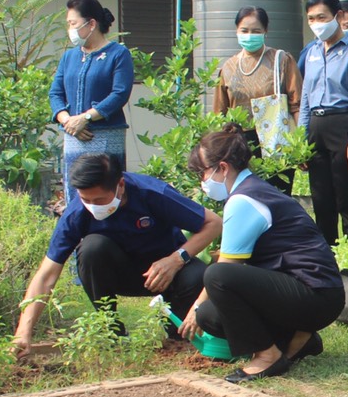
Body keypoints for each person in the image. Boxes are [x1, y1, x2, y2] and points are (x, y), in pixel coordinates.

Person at [12, 153, 221, 358]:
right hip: (121, 274)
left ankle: (177, 336)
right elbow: (47, 274)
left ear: (120, 185)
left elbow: (213, 223)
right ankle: (111, 330)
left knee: (197, 275)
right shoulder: (76, 214)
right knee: (92, 248)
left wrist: (176, 260)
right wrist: (23, 332)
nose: (94, 206)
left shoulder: (152, 193)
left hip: (168, 271)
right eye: (86, 199)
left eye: (100, 199)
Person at [184, 124, 345, 383]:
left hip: (317, 295)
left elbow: (226, 268)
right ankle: (298, 341)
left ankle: (267, 356)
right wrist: (199, 310)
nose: (202, 182)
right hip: (313, 293)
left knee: (216, 276)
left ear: (222, 168)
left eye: (202, 173)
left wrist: (193, 307)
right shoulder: (253, 189)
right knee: (210, 315)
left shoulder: (243, 200)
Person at [297, 0, 348, 243]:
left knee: (347, 201)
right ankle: (326, 262)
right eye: (311, 19)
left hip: (344, 125)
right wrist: (301, 142)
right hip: (316, 129)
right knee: (322, 203)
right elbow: (305, 98)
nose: (316, 24)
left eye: (322, 17)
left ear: (337, 15)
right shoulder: (312, 53)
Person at [50, 0, 134, 203]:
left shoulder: (118, 54)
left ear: (91, 24)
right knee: (75, 193)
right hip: (72, 136)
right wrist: (67, 121)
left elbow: (119, 93)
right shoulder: (69, 56)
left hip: (106, 136)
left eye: (73, 23)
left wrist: (85, 118)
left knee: (106, 190)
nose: (70, 29)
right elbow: (55, 93)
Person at [214, 6, 302, 195]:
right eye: (244, 30)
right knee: (246, 197)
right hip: (240, 145)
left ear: (265, 31)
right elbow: (219, 113)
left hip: (276, 140)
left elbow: (298, 104)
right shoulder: (228, 68)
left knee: (277, 196)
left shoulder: (282, 60)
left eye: (256, 31)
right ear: (236, 30)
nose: (249, 35)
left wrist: (300, 142)